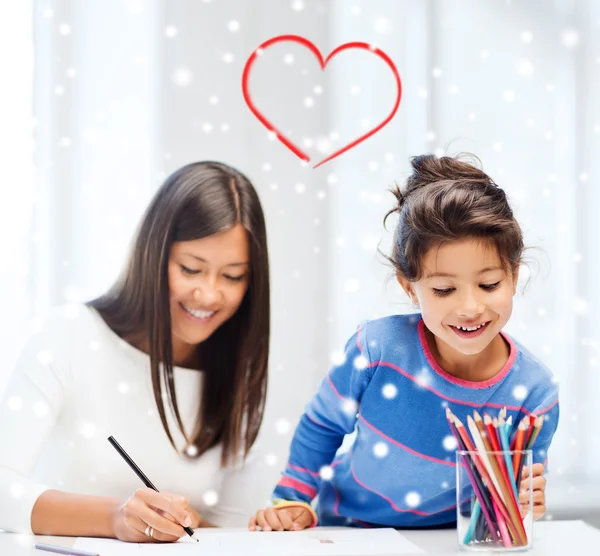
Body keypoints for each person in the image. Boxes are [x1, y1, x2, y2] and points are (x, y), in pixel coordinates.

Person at [249, 154, 559, 532]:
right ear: (408, 287)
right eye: (444, 289)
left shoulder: (536, 392)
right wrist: (292, 499)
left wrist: (525, 504)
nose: (470, 307)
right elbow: (323, 424)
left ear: (513, 275)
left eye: (489, 284)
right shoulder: (376, 349)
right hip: (348, 529)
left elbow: (516, 500)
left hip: (453, 541)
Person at [0, 161, 270, 542]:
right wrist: (113, 517)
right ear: (153, 256)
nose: (209, 294)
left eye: (232, 276)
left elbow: (234, 533)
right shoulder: (69, 335)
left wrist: (184, 521)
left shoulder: (237, 376)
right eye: (191, 269)